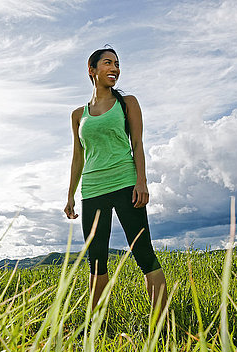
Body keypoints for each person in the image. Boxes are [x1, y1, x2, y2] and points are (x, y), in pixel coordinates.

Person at [64, 47, 168, 314]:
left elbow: (138, 144)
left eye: (117, 64)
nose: (115, 68)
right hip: (93, 189)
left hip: (125, 183)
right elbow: (78, 157)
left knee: (143, 254)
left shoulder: (127, 103)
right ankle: (96, 323)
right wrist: (70, 196)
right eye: (108, 63)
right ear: (92, 70)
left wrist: (141, 181)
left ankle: (162, 322)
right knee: (96, 260)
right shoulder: (79, 115)